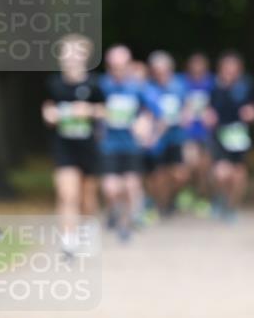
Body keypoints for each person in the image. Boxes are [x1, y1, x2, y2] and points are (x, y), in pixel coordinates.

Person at [41, 34, 103, 254]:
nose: (71, 57)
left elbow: (106, 110)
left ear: (85, 56)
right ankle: (68, 239)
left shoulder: (95, 84)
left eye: (76, 52)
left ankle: (88, 227)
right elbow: (47, 109)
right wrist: (51, 115)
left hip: (87, 146)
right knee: (67, 193)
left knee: (87, 197)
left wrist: (89, 111)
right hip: (63, 145)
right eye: (67, 52)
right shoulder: (53, 83)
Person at [98, 45, 151, 241]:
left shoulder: (137, 87)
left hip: (131, 145)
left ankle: (125, 225)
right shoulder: (102, 85)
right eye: (114, 66)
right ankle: (114, 210)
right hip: (108, 144)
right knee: (111, 188)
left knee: (131, 185)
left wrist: (144, 123)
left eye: (121, 66)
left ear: (129, 65)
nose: (118, 70)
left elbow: (151, 110)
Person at [205, 51, 254, 220]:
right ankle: (219, 197)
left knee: (238, 175)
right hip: (219, 133)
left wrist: (253, 113)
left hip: (238, 135)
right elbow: (205, 107)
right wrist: (208, 115)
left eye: (233, 68)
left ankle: (232, 207)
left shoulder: (246, 86)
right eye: (226, 68)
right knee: (221, 173)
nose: (229, 71)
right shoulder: (213, 86)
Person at [142, 50, 191, 216]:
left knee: (180, 174)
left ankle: (171, 198)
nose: (160, 74)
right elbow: (146, 112)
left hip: (176, 136)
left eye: (163, 70)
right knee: (158, 174)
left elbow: (187, 105)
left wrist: (186, 115)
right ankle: (159, 204)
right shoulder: (148, 88)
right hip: (157, 139)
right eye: (156, 71)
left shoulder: (180, 85)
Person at [180, 52, 214, 212]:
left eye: (200, 65)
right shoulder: (182, 83)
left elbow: (218, 103)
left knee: (204, 167)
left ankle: (203, 197)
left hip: (206, 132)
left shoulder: (211, 83)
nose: (197, 68)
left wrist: (212, 113)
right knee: (190, 163)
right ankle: (188, 190)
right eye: (194, 65)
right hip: (188, 132)